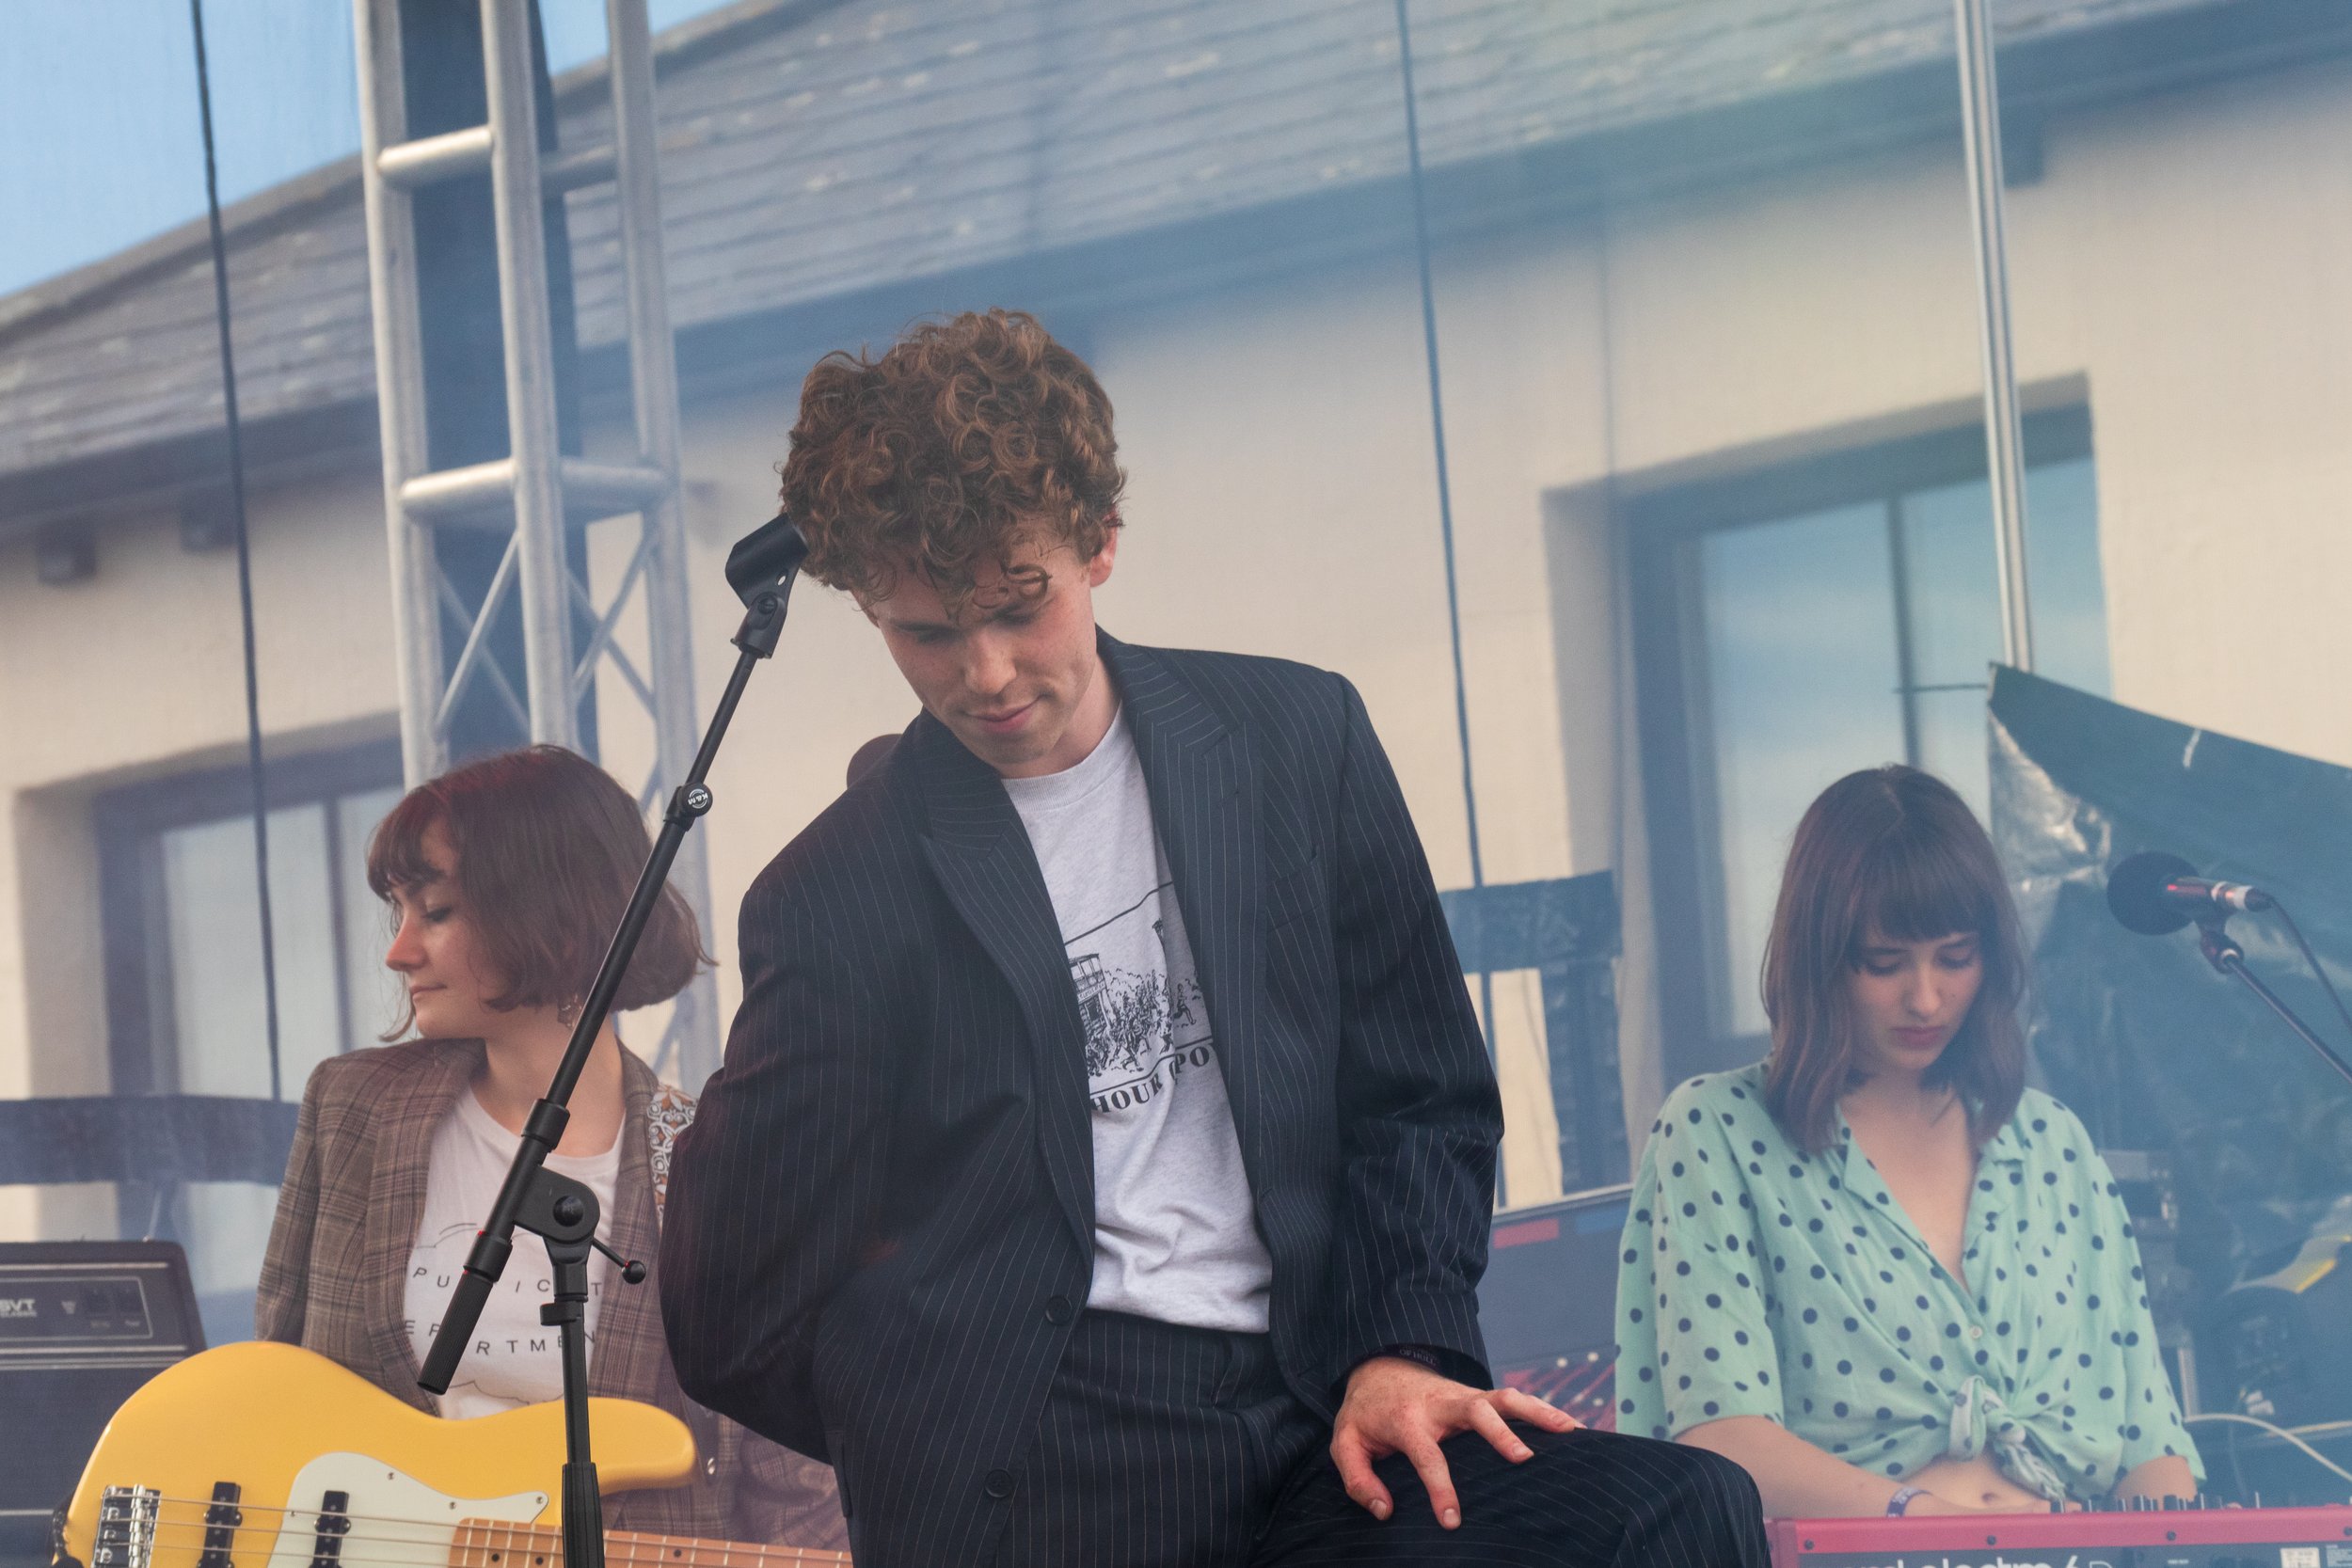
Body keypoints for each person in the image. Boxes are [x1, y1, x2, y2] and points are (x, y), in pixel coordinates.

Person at [657, 309, 1768, 1568]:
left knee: (1680, 1510)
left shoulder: (1298, 737)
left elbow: (1421, 1094)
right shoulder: (837, 889)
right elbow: (729, 1298)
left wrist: (1403, 1346)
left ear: (1100, 540)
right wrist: (936, 1422)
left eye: (1019, 605)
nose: (987, 671)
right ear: (868, 606)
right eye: (928, 632)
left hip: (1319, 1403)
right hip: (1048, 1458)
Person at [255, 745, 846, 1548]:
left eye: (436, 911)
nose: (399, 951)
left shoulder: (724, 1169)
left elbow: (795, 1495)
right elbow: (275, 1385)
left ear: (555, 916)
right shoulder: (353, 1108)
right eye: (399, 912)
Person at [1613, 764, 2202, 1517]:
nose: (1925, 998)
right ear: (1818, 957)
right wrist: (1927, 1523)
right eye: (1883, 962)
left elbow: (2151, 1444)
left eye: (1956, 957)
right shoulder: (1717, 1131)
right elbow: (1727, 1439)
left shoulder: (2053, 1143)